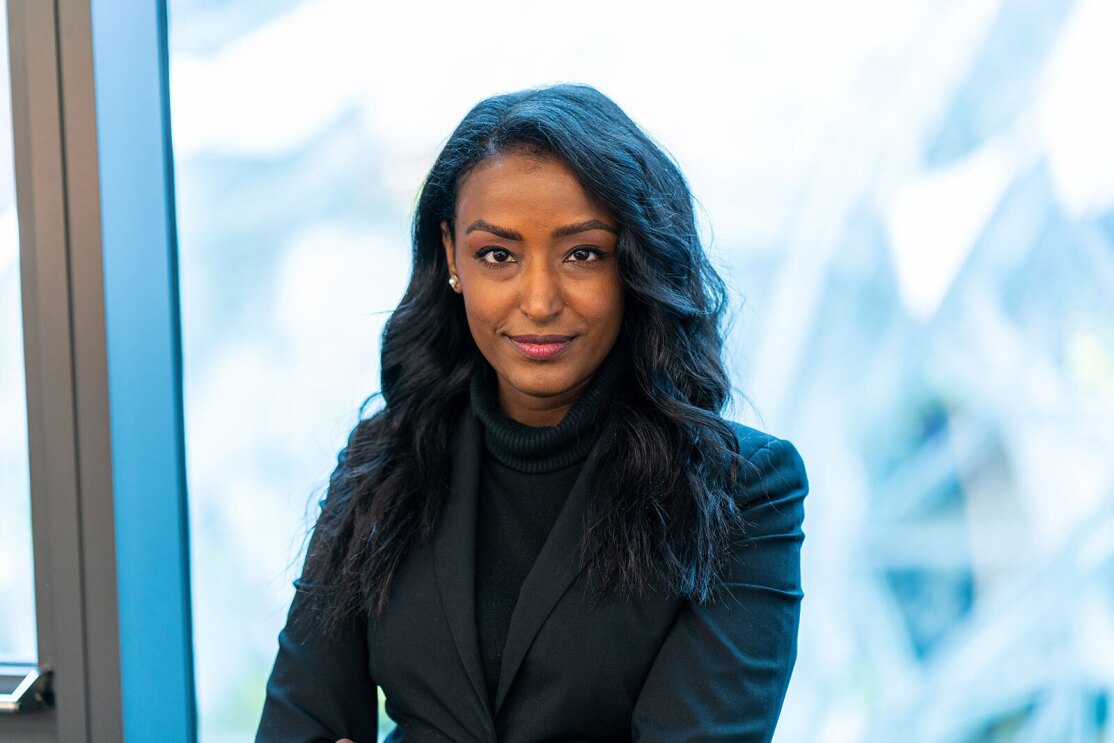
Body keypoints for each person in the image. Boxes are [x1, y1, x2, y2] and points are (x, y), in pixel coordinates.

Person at [256, 83, 808, 742]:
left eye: (583, 254)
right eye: (498, 255)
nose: (539, 300)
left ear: (634, 261)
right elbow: (295, 727)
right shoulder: (385, 458)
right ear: (453, 255)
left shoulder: (744, 492)